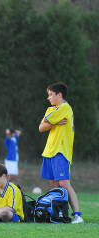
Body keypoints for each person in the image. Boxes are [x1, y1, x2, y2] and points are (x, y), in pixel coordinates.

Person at [38, 82, 82, 223]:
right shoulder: (51, 109)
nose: (48, 98)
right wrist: (55, 123)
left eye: (51, 94)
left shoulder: (64, 107)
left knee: (64, 183)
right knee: (54, 185)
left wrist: (49, 123)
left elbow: (45, 123)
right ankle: (59, 214)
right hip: (49, 151)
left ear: (60, 95)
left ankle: (77, 215)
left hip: (61, 151)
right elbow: (41, 128)